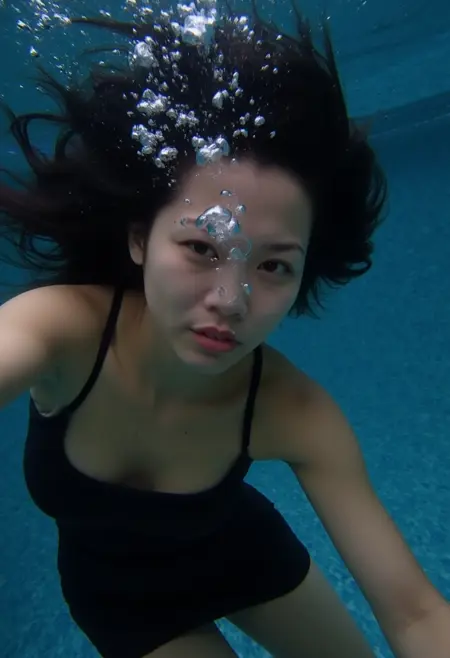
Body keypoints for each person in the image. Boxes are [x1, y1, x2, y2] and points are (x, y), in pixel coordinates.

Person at [0, 3, 449, 658]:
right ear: (139, 238)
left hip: (247, 558)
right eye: (200, 249)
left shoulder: (291, 410)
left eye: (273, 265)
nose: (230, 301)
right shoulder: (59, 331)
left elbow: (414, 614)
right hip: (120, 601)